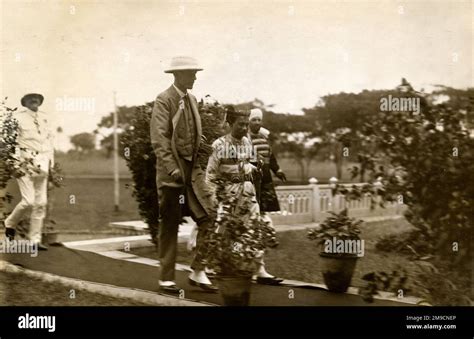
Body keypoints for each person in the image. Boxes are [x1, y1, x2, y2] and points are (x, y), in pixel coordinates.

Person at [150, 56, 218, 294]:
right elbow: (159, 138)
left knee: (210, 216)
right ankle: (166, 278)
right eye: (191, 73)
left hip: (192, 174)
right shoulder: (164, 99)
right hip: (172, 174)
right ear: (178, 75)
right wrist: (172, 167)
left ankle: (198, 270)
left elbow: (189, 132)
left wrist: (203, 145)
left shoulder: (191, 99)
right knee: (169, 225)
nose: (196, 77)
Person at [206, 106, 278, 283]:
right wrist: (213, 198)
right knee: (223, 230)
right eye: (240, 124)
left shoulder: (247, 143)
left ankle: (259, 268)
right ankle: (210, 265)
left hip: (247, 192)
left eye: (246, 124)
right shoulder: (219, 145)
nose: (244, 128)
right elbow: (211, 174)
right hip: (227, 194)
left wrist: (256, 168)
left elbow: (251, 164)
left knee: (254, 228)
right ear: (230, 123)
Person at [4, 93, 54, 250]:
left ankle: (35, 240)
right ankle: (10, 223)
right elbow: (11, 143)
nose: (35, 100)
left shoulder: (45, 118)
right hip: (25, 162)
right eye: (30, 98)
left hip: (43, 164)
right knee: (29, 201)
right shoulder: (17, 118)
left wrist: (51, 165)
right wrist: (15, 163)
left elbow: (49, 142)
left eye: (37, 98)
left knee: (41, 203)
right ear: (24, 102)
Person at [247, 108, 286, 285]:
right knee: (247, 223)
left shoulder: (263, 138)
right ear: (248, 121)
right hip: (250, 183)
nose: (257, 123)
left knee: (262, 221)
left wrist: (277, 170)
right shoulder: (244, 139)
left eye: (259, 120)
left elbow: (271, 157)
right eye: (253, 120)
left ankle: (260, 269)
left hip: (264, 183)